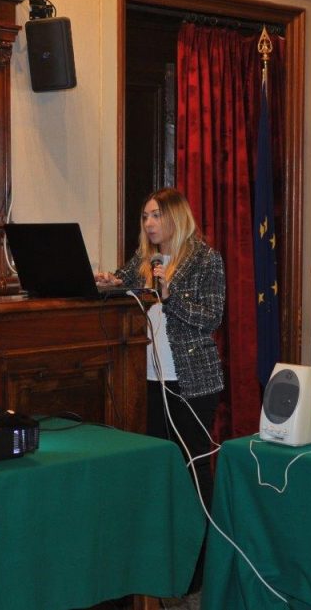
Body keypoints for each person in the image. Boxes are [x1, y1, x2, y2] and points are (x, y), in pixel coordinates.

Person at [97, 187, 226, 500]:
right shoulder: (143, 260)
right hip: (148, 379)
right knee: (157, 463)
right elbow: (122, 283)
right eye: (145, 217)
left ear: (176, 217)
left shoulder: (205, 259)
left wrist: (170, 296)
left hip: (191, 380)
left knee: (192, 463)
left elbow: (212, 317)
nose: (149, 223)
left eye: (156, 215)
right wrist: (109, 283)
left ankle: (204, 528)